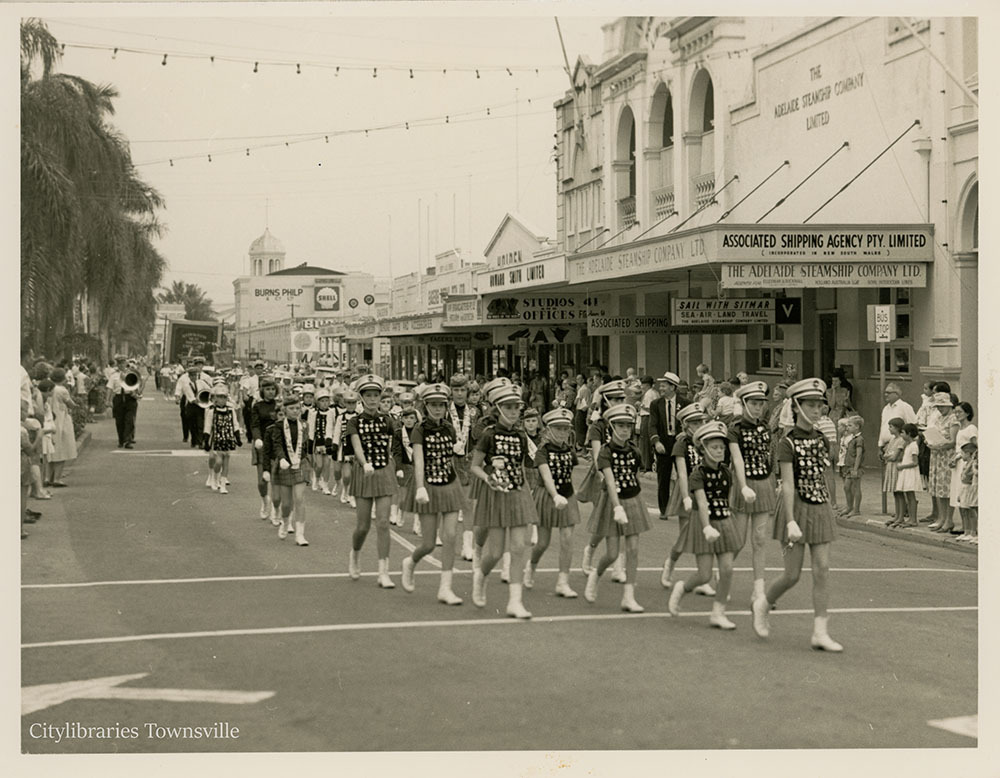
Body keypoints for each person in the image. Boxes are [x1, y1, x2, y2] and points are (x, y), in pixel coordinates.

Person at [751, 378, 843, 652]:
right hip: (796, 508)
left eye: (819, 406)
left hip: (820, 506)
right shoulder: (786, 444)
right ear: (797, 407)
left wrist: (831, 504)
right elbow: (788, 484)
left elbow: (825, 475)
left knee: (822, 569)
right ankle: (763, 604)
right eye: (811, 406)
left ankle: (820, 631)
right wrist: (790, 519)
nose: (817, 411)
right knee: (792, 575)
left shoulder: (822, 439)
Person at [468, 382, 538, 619]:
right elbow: (475, 466)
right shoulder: (489, 435)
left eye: (516, 407)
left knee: (518, 547)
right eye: (507, 407)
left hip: (517, 492)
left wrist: (527, 495)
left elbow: (521, 466)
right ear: (497, 409)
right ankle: (481, 577)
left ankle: (515, 601)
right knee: (496, 552)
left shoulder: (520, 435)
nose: (513, 412)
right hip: (496, 493)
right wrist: (488, 479)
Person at [668, 421, 742, 628]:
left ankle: (718, 612)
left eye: (721, 447)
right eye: (714, 447)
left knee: (727, 569)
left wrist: (728, 521)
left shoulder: (727, 472)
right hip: (704, 524)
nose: (720, 451)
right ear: (703, 449)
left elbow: (726, 499)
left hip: (724, 521)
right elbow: (701, 502)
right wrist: (707, 526)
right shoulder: (697, 474)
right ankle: (682, 588)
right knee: (704, 574)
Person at [399, 383, 467, 604]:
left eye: (441, 405)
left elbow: (450, 457)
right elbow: (418, 460)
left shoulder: (449, 428)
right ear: (425, 406)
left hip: (449, 484)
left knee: (450, 536)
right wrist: (419, 487)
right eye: (433, 405)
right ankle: (410, 562)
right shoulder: (419, 429)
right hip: (427, 485)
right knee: (428, 543)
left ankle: (445, 588)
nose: (437, 409)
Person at [583, 403, 649, 612]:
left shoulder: (635, 451)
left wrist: (634, 500)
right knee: (612, 554)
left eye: (628, 426)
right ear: (611, 427)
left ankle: (628, 596)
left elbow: (635, 476)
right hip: (613, 501)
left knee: (633, 549)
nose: (625, 430)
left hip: (633, 499)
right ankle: (595, 575)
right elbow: (610, 481)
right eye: (620, 425)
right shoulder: (605, 451)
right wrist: (617, 506)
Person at [346, 374, 398, 588]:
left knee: (383, 523)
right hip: (364, 472)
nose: (373, 399)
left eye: (376, 395)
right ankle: (355, 554)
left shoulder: (388, 420)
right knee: (363, 526)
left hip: (384, 471)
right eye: (368, 395)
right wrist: (364, 462)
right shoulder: (354, 421)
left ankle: (383, 571)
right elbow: (356, 444)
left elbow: (394, 444)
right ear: (361, 397)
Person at [727, 381, 777, 604]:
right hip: (744, 483)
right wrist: (742, 484)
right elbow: (737, 458)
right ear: (745, 404)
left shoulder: (765, 427)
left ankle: (758, 589)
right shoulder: (734, 429)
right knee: (738, 540)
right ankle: (724, 576)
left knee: (759, 539)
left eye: (761, 404)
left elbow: (769, 455)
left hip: (763, 482)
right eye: (754, 404)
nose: (758, 408)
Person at [659, 405, 716, 596]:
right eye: (695, 423)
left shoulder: (707, 441)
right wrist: (685, 497)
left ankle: (703, 576)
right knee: (685, 536)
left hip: (707, 492)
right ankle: (670, 563)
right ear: (685, 425)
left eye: (701, 421)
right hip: (689, 492)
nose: (700, 425)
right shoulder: (681, 444)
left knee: (705, 534)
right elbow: (682, 474)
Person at [578, 379, 629, 582]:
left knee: (622, 520)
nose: (619, 402)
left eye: (621, 398)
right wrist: (606, 479)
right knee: (604, 522)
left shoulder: (625, 422)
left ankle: (618, 567)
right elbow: (599, 456)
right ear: (606, 401)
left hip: (623, 474)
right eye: (616, 399)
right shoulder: (598, 426)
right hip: (602, 475)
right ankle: (589, 551)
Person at [527, 408, 580, 598]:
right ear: (548, 430)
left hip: (567, 495)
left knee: (567, 538)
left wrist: (565, 494)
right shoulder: (542, 451)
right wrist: (555, 494)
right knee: (542, 542)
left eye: (566, 429)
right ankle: (531, 566)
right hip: (547, 496)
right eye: (558, 428)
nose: (562, 433)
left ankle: (563, 581)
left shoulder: (569, 450)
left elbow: (568, 473)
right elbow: (546, 475)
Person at [262, 395, 310, 546]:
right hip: (285, 465)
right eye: (291, 408)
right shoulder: (278, 426)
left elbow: (306, 445)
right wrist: (281, 458)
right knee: (287, 503)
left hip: (300, 463)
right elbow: (277, 444)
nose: (295, 411)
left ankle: (300, 534)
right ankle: (284, 522)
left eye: (297, 408)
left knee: (300, 498)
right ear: (285, 409)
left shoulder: (304, 425)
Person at [648, 371, 685, 521]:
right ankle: (664, 509)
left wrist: (685, 436)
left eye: (664, 386)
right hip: (664, 443)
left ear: (672, 387)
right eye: (660, 386)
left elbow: (689, 423)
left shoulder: (685, 403)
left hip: (680, 443)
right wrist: (656, 442)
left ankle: (685, 506)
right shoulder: (655, 404)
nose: (661, 388)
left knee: (684, 476)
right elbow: (652, 425)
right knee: (663, 478)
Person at [925, 393, 957, 533]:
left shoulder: (953, 419)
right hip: (936, 456)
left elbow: (953, 441)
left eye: (942, 406)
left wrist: (940, 445)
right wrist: (929, 441)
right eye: (938, 406)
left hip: (946, 456)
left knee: (946, 488)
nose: (940, 408)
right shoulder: (938, 418)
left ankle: (948, 519)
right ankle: (941, 518)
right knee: (938, 488)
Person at [203, 383, 242, 494]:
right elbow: (207, 426)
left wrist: (237, 437)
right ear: (215, 398)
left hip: (227, 438)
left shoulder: (231, 410)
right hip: (216, 438)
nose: (222, 399)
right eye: (219, 397)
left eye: (224, 397)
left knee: (226, 461)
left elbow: (235, 424)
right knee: (217, 461)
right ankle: (213, 476)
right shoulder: (211, 411)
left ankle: (223, 483)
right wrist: (206, 440)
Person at [949, 403, 977, 537]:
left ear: (967, 413)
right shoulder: (960, 429)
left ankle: (971, 529)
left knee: (966, 494)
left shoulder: (971, 428)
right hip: (958, 463)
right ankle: (964, 527)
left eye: (959, 412)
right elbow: (959, 448)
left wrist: (971, 462)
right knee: (958, 494)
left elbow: (974, 446)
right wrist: (955, 457)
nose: (957, 414)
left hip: (966, 464)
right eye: (955, 412)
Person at [47, 368, 78, 487]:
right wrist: (75, 405)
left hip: (51, 418)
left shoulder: (49, 388)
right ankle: (57, 478)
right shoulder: (62, 390)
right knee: (62, 448)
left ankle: (48, 477)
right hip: (62, 419)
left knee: (51, 449)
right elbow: (71, 404)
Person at [390, 407, 418, 527]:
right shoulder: (398, 433)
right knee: (403, 496)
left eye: (412, 418)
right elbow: (396, 452)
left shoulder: (420, 432)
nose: (409, 421)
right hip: (405, 466)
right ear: (402, 419)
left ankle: (417, 524)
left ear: (416, 420)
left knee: (419, 497)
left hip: (418, 467)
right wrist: (399, 468)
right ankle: (399, 514)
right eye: (406, 418)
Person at [307, 388, 337, 495]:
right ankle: (317, 477)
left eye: (326, 401)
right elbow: (311, 428)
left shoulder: (332, 412)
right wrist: (310, 443)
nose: (324, 403)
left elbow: (334, 426)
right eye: (322, 401)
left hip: (328, 441)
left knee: (327, 464)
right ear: (317, 402)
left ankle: (325, 484)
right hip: (318, 442)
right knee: (319, 465)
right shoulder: (313, 413)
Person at [892, 423, 921, 528]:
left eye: (903, 433)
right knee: (908, 495)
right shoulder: (908, 445)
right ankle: (910, 519)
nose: (901, 435)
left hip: (910, 473)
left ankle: (913, 519)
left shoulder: (913, 446)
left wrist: (903, 466)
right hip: (906, 472)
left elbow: (915, 462)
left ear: (909, 434)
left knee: (911, 496)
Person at [108, 356, 140, 449]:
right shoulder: (114, 376)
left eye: (123, 363)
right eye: (120, 363)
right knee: (119, 421)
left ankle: (127, 441)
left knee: (129, 420)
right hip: (118, 398)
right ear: (118, 364)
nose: (122, 365)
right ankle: (121, 440)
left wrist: (136, 392)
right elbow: (109, 388)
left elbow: (136, 384)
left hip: (130, 398)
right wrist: (108, 400)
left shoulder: (131, 373)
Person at [877, 383, 916, 455]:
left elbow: (912, 426)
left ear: (897, 394)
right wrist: (880, 446)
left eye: (888, 393)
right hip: (886, 446)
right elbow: (883, 427)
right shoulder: (886, 408)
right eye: (885, 392)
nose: (886, 395)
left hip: (900, 446)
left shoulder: (905, 407)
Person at [838, 415, 865, 518]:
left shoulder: (859, 439)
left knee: (856, 487)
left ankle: (856, 509)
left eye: (850, 425)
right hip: (849, 466)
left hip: (855, 467)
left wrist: (855, 468)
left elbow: (859, 455)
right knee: (846, 487)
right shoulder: (852, 439)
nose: (847, 427)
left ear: (857, 426)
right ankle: (849, 506)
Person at [882, 418, 906, 527]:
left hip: (897, 467)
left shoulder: (901, 440)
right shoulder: (892, 440)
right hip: (891, 467)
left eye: (891, 427)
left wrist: (889, 456)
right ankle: (897, 515)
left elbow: (895, 456)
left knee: (899, 492)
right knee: (895, 493)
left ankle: (901, 517)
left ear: (897, 428)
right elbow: (886, 454)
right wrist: (888, 456)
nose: (889, 429)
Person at [957, 436, 978, 544]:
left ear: (970, 454)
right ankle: (967, 531)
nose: (962, 456)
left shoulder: (973, 464)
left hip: (969, 488)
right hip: (964, 487)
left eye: (963, 453)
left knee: (970, 511)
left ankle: (973, 532)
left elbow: (970, 476)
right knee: (964, 510)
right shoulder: (967, 464)